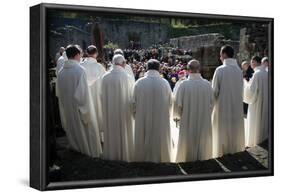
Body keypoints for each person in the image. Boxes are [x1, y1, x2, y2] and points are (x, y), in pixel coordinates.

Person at [56, 45, 102, 158]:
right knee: (85, 132)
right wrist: (87, 112)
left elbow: (58, 93)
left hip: (68, 107)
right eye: (80, 54)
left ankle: (75, 147)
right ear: (77, 55)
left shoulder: (61, 72)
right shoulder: (80, 70)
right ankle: (88, 151)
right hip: (79, 108)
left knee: (73, 130)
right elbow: (83, 95)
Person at [133, 59, 172, 163]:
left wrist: (135, 115)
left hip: (143, 117)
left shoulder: (139, 83)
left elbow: (133, 102)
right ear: (159, 68)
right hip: (160, 117)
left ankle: (143, 159)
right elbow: (170, 102)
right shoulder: (164, 83)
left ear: (147, 68)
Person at [174, 60, 214, 162]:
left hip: (187, 119)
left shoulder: (183, 85)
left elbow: (177, 105)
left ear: (188, 70)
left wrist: (178, 116)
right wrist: (206, 113)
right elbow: (212, 104)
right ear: (199, 69)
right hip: (203, 118)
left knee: (187, 141)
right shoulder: (207, 85)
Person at [212, 45, 245, 157]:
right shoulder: (239, 70)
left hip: (222, 105)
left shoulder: (220, 70)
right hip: (236, 104)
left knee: (222, 128)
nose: (219, 57)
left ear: (225, 55)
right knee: (234, 126)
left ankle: (222, 150)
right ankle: (234, 148)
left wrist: (209, 105)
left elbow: (214, 92)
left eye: (220, 54)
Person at [100, 54, 135, 162]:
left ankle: (112, 154)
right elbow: (132, 97)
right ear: (123, 63)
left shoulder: (105, 77)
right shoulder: (127, 78)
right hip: (124, 112)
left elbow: (101, 95)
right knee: (124, 132)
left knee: (112, 131)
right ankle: (126, 154)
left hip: (110, 111)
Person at [81, 45, 106, 143]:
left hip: (85, 95)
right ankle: (100, 138)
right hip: (98, 95)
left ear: (87, 53)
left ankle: (89, 137)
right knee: (98, 114)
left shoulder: (81, 66)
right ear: (96, 54)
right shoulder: (99, 67)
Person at [244, 56, 268, 147]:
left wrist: (245, 84)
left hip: (256, 103)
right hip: (265, 101)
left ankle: (254, 141)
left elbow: (250, 92)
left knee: (256, 122)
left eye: (252, 62)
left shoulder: (257, 74)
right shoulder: (266, 73)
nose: (251, 64)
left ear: (256, 62)